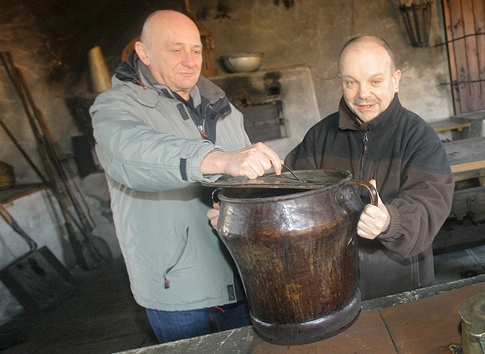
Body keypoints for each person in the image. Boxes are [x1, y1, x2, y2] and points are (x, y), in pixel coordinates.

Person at [90, 10, 283, 343]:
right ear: (143, 52)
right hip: (180, 290)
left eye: (195, 50)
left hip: (242, 275)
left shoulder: (220, 105)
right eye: (175, 49)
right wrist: (219, 159)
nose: (189, 60)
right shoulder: (115, 107)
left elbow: (240, 182)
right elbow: (135, 153)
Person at [283, 36, 455, 300]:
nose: (363, 94)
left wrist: (390, 221)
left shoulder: (419, 137)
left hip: (402, 289)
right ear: (340, 80)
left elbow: (430, 208)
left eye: (375, 81)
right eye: (351, 82)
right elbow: (288, 190)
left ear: (395, 80)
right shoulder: (320, 137)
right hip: (332, 287)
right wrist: (246, 203)